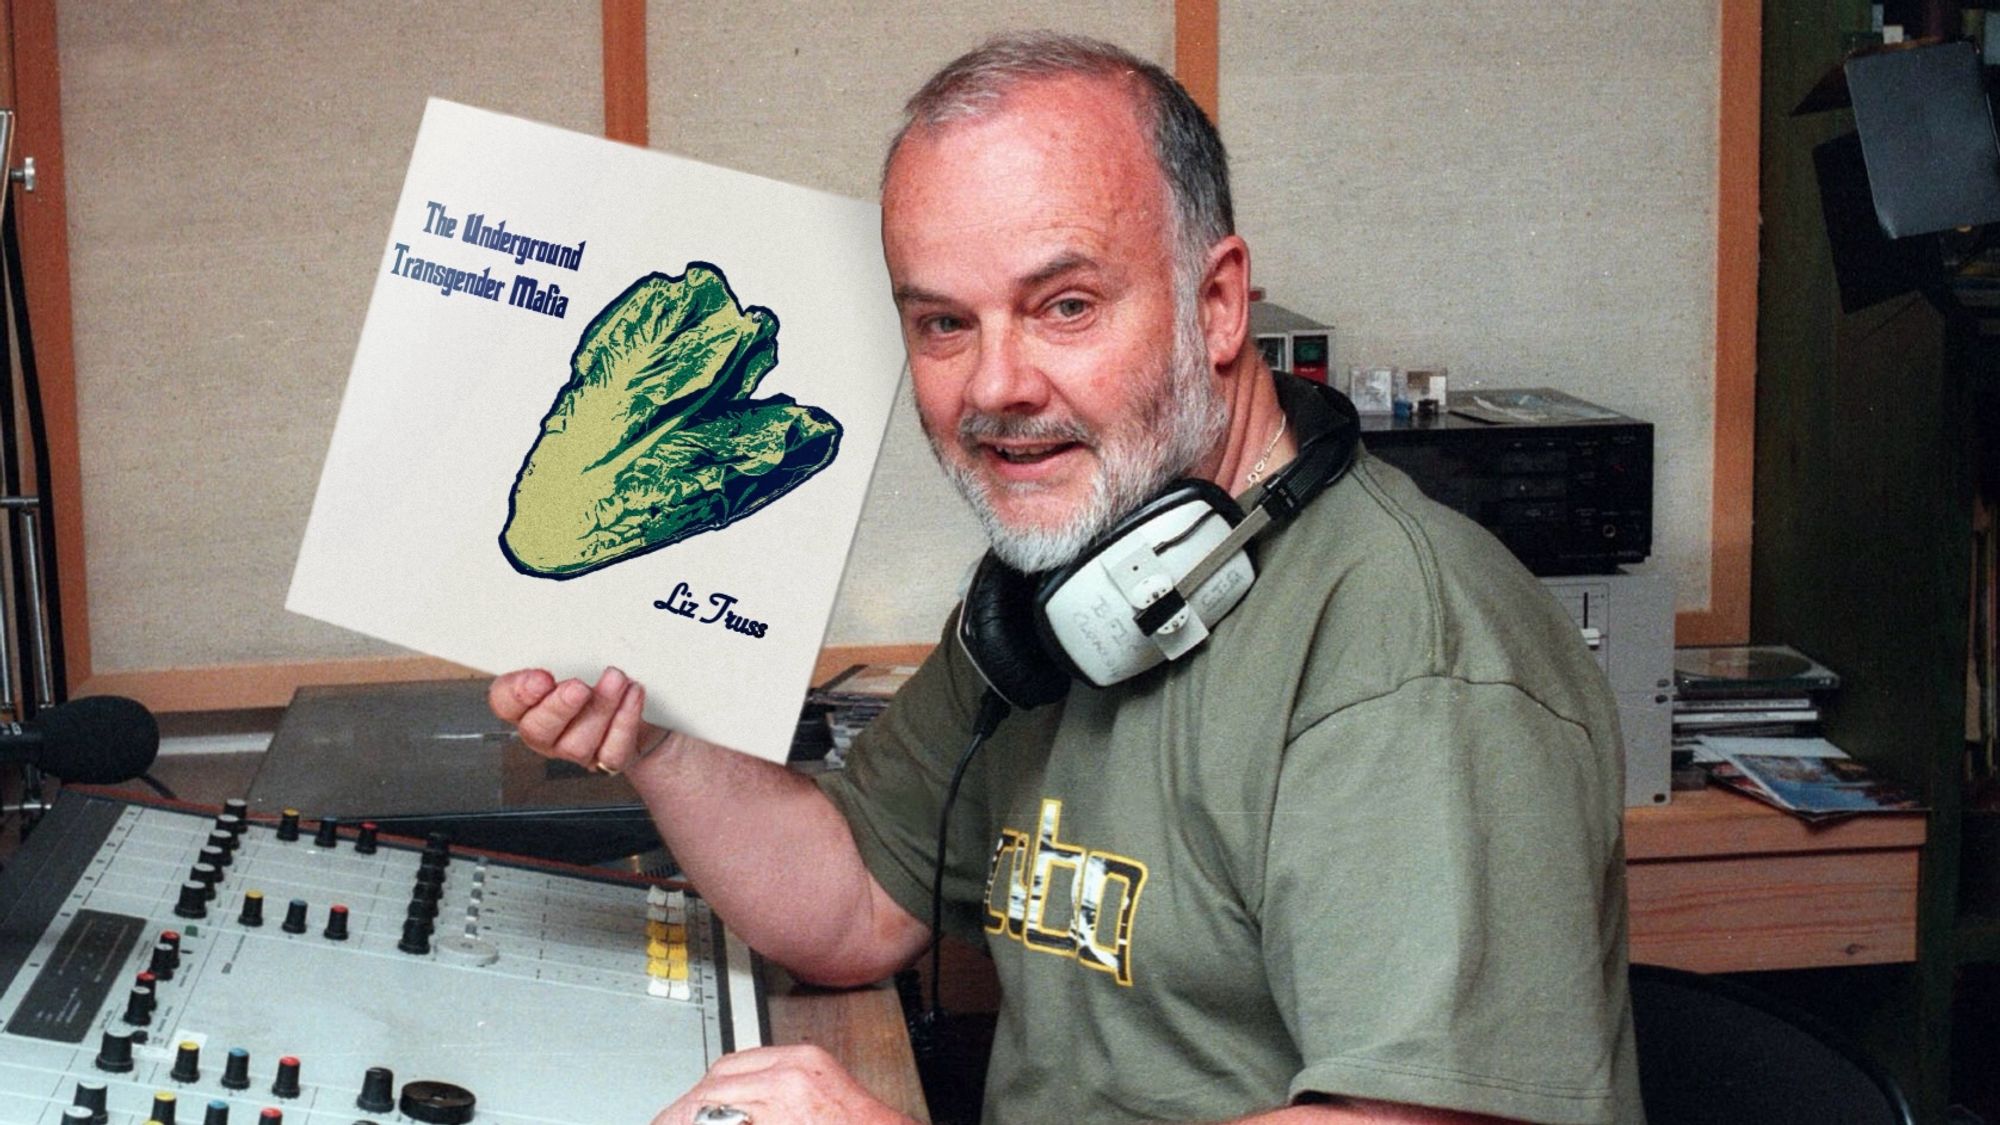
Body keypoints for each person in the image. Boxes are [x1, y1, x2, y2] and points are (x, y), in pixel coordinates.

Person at [491, 31, 1641, 1125]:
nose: (996, 384)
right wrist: (656, 741)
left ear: (1217, 303)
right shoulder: (1053, 600)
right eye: (944, 322)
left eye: (1064, 307)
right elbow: (847, 906)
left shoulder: (1407, 652)